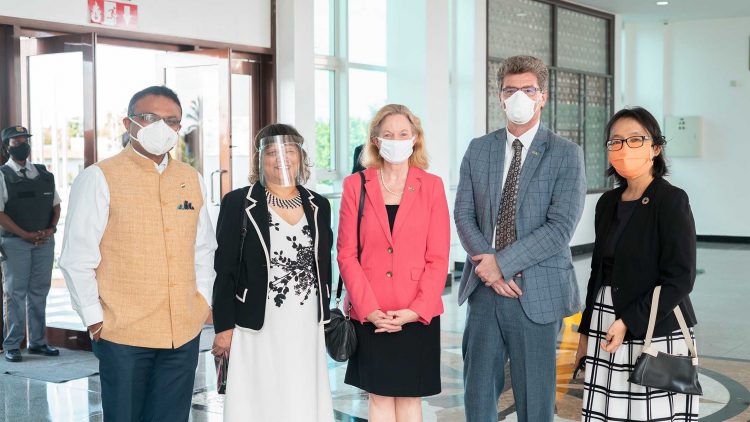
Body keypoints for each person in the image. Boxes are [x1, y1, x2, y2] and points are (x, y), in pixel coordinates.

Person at [59, 86, 217, 421]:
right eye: (150, 117)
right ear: (128, 123)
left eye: (171, 120)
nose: (161, 126)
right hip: (123, 332)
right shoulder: (99, 177)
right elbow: (76, 258)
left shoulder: (191, 179)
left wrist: (203, 300)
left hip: (182, 331)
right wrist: (94, 320)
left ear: (179, 129)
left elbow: (203, 248)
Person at [454, 55, 587, 421]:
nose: (518, 98)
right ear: (499, 96)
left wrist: (503, 264)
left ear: (542, 96)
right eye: (510, 90)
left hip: (537, 293)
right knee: (478, 394)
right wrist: (489, 266)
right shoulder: (478, 149)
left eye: (527, 90)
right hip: (484, 290)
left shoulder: (565, 155)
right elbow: (463, 214)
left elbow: (560, 228)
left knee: (535, 400)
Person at [575, 106, 699, 421]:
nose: (623, 148)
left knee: (648, 412)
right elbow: (597, 273)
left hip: (652, 324)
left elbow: (680, 278)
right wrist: (585, 334)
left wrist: (628, 320)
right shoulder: (607, 203)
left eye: (635, 140)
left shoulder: (671, 200)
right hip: (605, 321)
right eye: (615, 141)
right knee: (609, 411)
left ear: (655, 148)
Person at [211, 123, 334, 421]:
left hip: (306, 320)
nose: (281, 157)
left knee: (301, 390)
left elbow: (324, 261)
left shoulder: (319, 204)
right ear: (259, 159)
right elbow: (224, 266)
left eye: (290, 151)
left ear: (301, 157)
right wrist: (223, 327)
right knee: (257, 395)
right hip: (256, 320)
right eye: (272, 152)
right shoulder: (239, 202)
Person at [338, 104, 450, 421]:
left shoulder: (432, 186)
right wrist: (368, 309)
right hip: (370, 312)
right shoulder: (355, 185)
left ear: (415, 139)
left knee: (411, 400)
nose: (396, 140)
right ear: (375, 140)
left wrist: (415, 310)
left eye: (403, 133)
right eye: (388, 134)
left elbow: (438, 256)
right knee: (380, 399)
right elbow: (346, 254)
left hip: (417, 313)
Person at [0, 125, 61, 362]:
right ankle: (12, 345)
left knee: (39, 292)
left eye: (25, 140)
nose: (22, 145)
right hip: (15, 243)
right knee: (15, 294)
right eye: (16, 142)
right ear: (7, 147)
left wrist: (52, 228)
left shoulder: (44, 175)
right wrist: (24, 234)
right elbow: (1, 213)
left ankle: (37, 342)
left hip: (44, 242)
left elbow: (55, 206)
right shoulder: (3, 175)